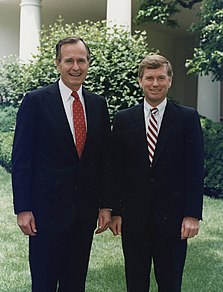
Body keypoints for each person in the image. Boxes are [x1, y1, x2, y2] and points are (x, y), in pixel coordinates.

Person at [12, 36, 112, 292]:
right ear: (58, 63)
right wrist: (23, 209)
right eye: (69, 60)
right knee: (44, 284)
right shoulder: (36, 101)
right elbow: (22, 159)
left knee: (75, 283)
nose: (75, 67)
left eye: (81, 60)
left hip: (83, 214)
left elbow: (104, 160)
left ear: (88, 64)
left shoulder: (98, 105)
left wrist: (106, 205)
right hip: (45, 214)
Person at [109, 54, 204, 292]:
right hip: (133, 220)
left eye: (161, 77)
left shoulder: (187, 118)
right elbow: (115, 169)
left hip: (173, 220)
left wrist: (192, 214)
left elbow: (194, 168)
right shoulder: (123, 119)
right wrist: (116, 212)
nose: (155, 83)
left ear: (169, 80)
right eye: (149, 78)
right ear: (140, 81)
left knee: (171, 284)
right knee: (136, 283)